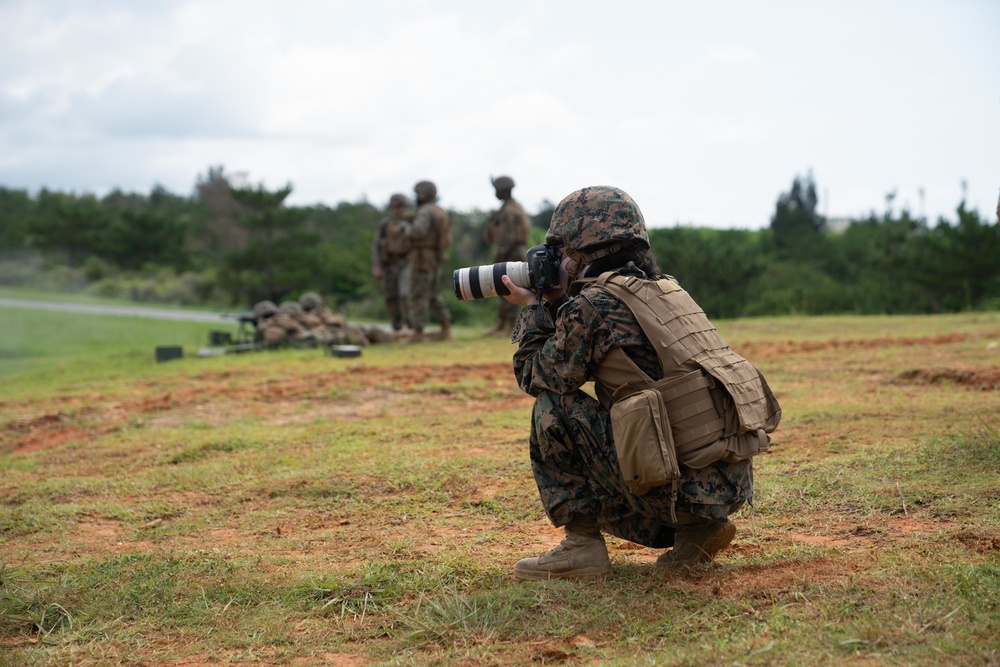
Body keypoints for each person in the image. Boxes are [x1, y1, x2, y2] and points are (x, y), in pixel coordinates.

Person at [500, 185, 781, 580]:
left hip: (670, 493)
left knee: (552, 408)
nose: (558, 261)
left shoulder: (592, 306)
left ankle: (582, 547)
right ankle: (700, 529)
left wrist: (533, 310)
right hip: (727, 485)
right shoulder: (668, 289)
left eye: (560, 251)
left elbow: (536, 375)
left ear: (580, 252)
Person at [483, 175, 532, 337]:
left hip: (509, 253)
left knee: (508, 287)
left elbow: (507, 237)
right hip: (511, 252)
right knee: (502, 288)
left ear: (502, 190)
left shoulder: (509, 211)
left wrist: (500, 256)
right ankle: (502, 324)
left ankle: (510, 326)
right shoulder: (512, 208)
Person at [405, 180, 452, 343]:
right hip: (436, 257)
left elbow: (418, 231)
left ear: (423, 194)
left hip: (422, 258)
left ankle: (418, 332)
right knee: (433, 294)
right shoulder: (440, 211)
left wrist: (405, 228)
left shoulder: (424, 211)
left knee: (419, 293)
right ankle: (445, 327)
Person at [371, 194, 412, 333]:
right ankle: (397, 325)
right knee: (390, 296)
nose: (397, 208)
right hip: (389, 263)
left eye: (399, 205)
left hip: (407, 262)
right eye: (394, 205)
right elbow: (376, 245)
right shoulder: (385, 223)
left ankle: (411, 324)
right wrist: (376, 266)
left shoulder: (412, 220)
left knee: (405, 294)